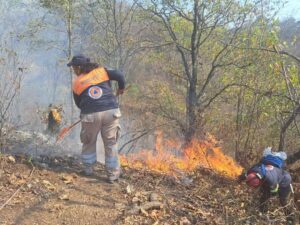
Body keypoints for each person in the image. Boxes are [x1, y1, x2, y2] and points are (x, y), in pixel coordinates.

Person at [67, 54, 125, 183]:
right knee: (111, 143)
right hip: (111, 112)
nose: (73, 70)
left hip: (91, 115)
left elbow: (78, 103)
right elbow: (120, 75)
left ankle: (88, 169)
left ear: (79, 68)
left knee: (89, 141)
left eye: (74, 68)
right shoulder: (102, 71)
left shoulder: (77, 83)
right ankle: (113, 174)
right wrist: (121, 88)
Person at [238, 147, 295, 224]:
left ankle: (290, 219)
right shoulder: (253, 170)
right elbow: (246, 175)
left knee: (283, 201)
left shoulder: (271, 180)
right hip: (268, 178)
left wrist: (272, 192)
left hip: (284, 181)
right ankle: (263, 213)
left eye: (255, 186)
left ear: (259, 182)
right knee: (264, 196)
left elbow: (274, 191)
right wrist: (240, 179)